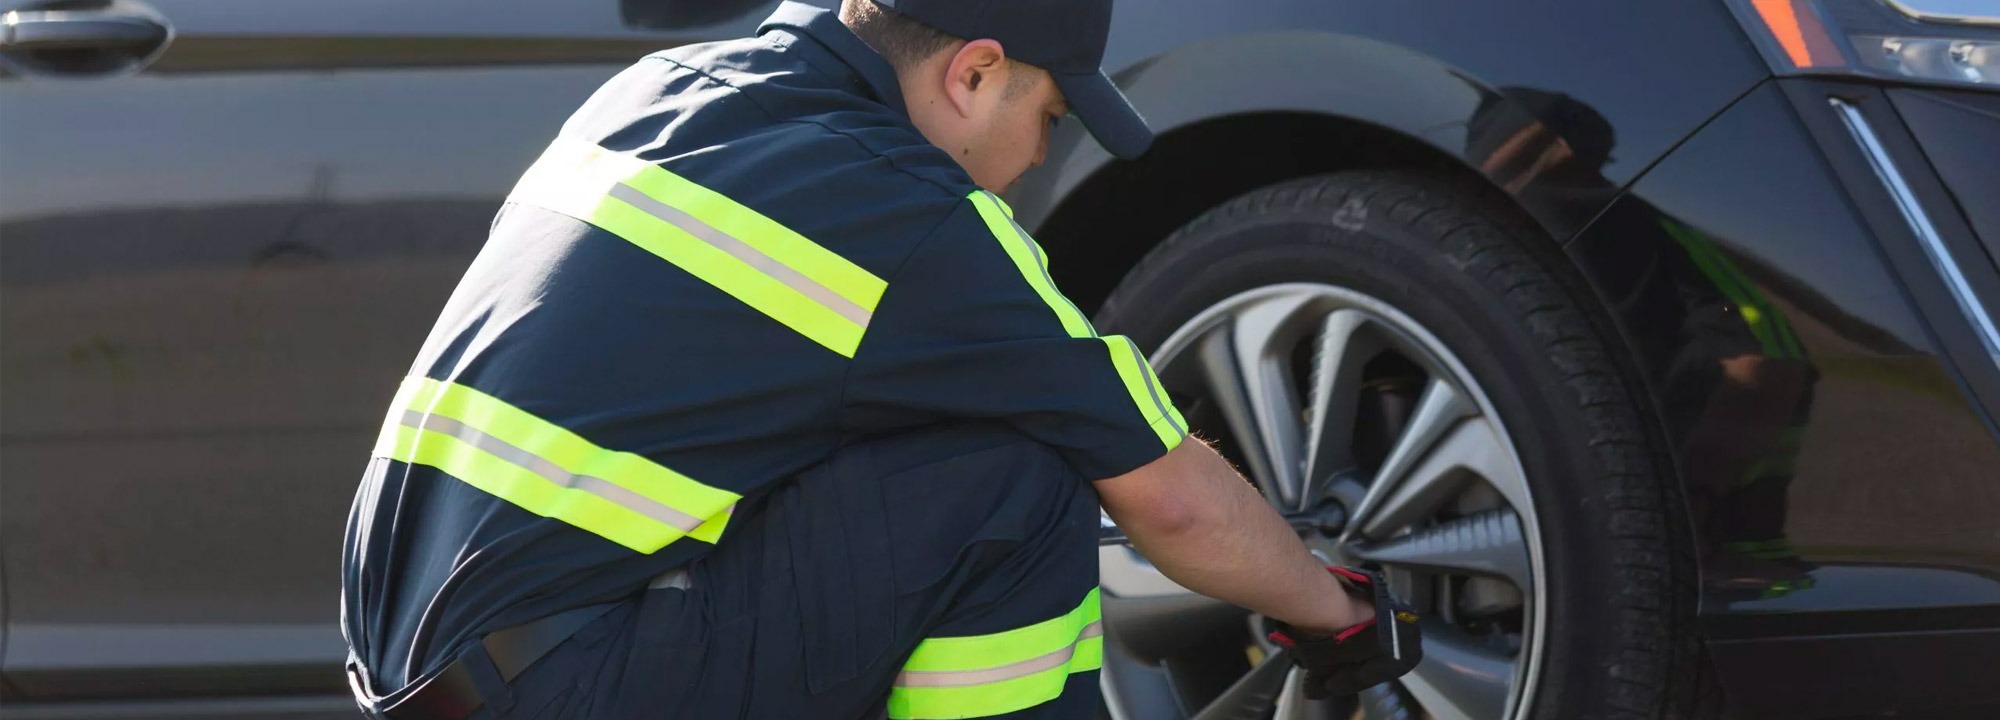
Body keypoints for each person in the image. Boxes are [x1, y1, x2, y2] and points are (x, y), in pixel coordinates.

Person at [340, 1, 1420, 718]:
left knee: (902, 455)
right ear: (975, 73)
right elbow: (1171, 502)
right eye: (1047, 113)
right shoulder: (910, 218)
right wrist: (1333, 611)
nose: (1043, 150)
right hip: (566, 684)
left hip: (430, 669)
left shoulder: (662, 89)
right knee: (1016, 480)